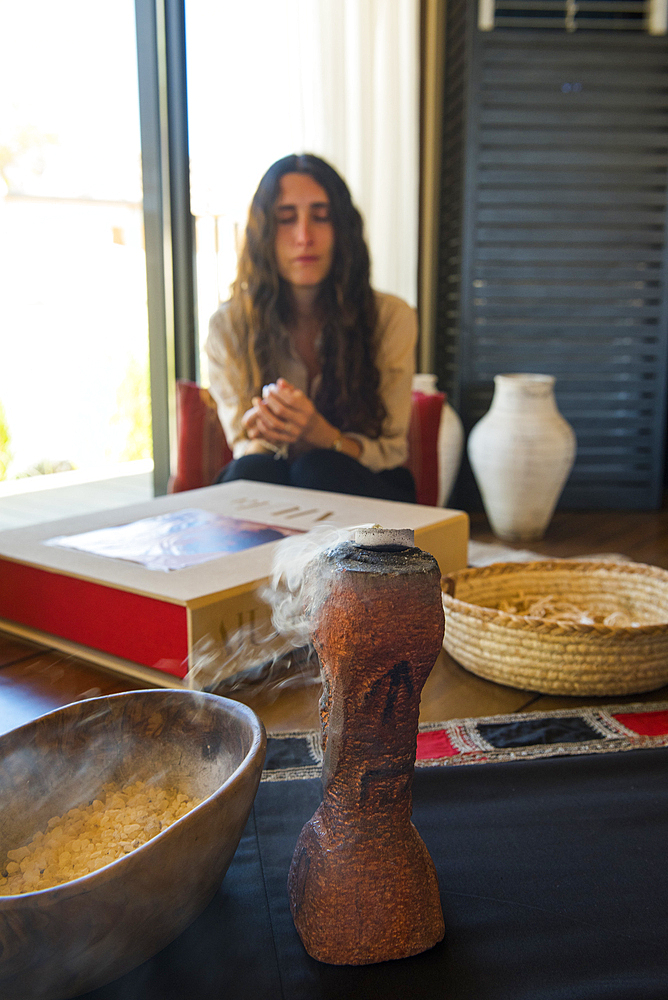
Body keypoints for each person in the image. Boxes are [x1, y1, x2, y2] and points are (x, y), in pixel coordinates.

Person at [205, 153, 417, 503]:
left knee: (319, 467)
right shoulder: (228, 326)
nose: (304, 236)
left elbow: (391, 451)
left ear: (343, 230)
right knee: (253, 470)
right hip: (268, 479)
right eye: (286, 219)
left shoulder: (391, 317)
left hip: (362, 488)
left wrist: (322, 434)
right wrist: (272, 429)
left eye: (321, 217)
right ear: (264, 234)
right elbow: (245, 446)